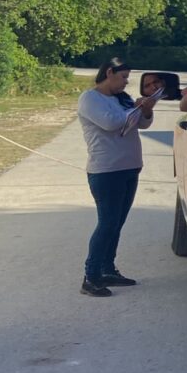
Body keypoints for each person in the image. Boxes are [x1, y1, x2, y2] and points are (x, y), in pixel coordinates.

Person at [77, 58, 158, 297]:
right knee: (107, 223)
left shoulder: (122, 99)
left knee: (117, 224)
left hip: (129, 168)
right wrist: (136, 107)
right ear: (109, 72)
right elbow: (111, 123)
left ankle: (107, 269)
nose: (126, 82)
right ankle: (91, 277)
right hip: (106, 171)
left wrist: (147, 110)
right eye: (123, 77)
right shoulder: (90, 99)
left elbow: (142, 125)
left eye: (128, 78)